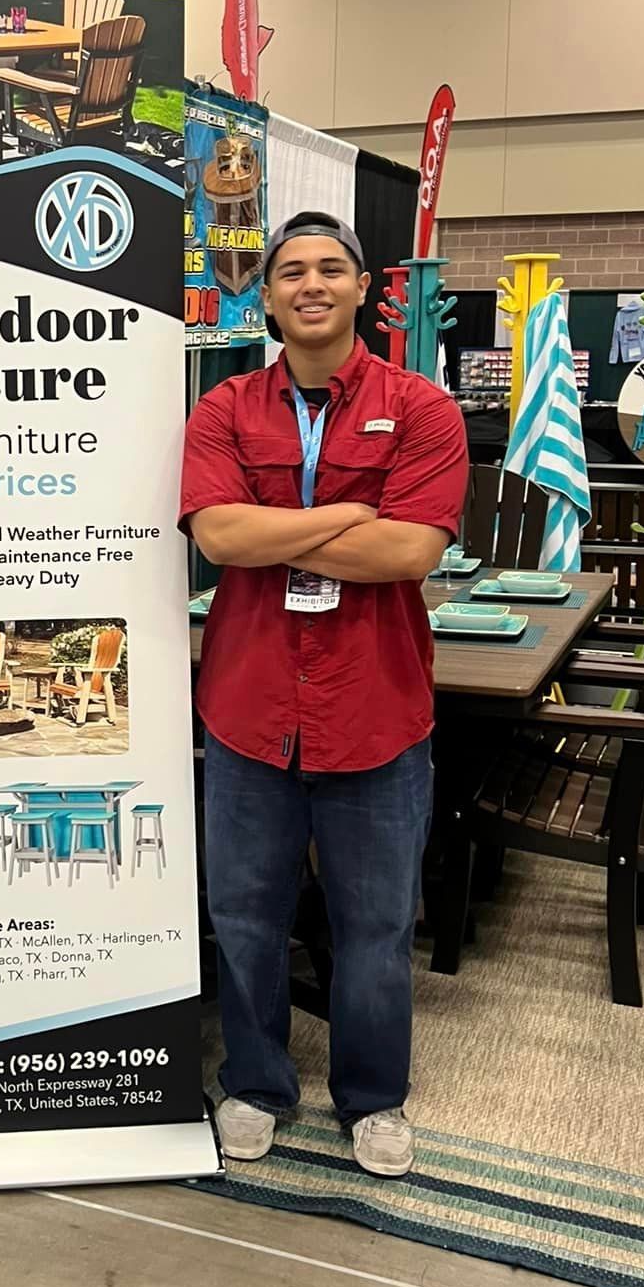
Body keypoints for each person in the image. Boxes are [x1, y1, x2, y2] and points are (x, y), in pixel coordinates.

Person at [180, 210, 468, 1177]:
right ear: (264, 295)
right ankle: (256, 1084)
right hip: (249, 706)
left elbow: (410, 551)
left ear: (361, 290)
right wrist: (351, 508)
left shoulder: (423, 409)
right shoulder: (224, 412)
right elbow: (219, 538)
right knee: (246, 915)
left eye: (331, 269)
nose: (311, 284)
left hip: (375, 709)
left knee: (377, 925)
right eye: (291, 270)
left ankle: (373, 1099)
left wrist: (283, 525)